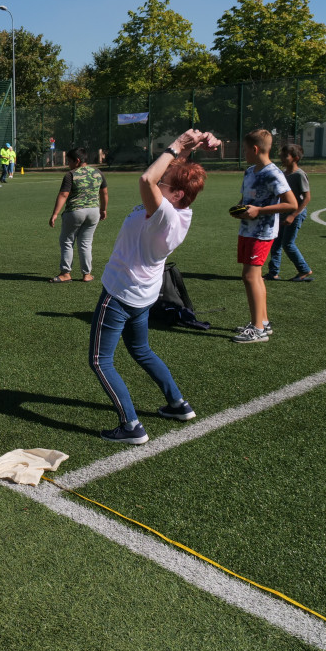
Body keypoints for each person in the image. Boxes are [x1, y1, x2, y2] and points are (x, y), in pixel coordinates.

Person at [89, 130, 220, 445]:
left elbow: (148, 179)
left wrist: (175, 146)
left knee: (99, 360)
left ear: (175, 194)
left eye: (167, 183)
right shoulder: (182, 209)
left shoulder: (163, 214)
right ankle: (177, 404)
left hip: (121, 293)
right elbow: (170, 176)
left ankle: (131, 425)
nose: (160, 181)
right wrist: (192, 146)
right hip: (143, 294)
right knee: (141, 349)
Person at [231, 129, 297, 344]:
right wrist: (241, 209)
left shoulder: (273, 173)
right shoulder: (250, 171)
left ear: (255, 149)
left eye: (244, 149)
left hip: (262, 232)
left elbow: (291, 203)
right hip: (247, 230)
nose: (244, 153)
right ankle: (263, 322)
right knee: (254, 276)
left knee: (250, 277)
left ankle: (257, 328)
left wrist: (259, 211)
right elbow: (247, 198)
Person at [49, 148, 108, 283]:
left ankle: (65, 273)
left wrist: (55, 214)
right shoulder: (98, 172)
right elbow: (104, 193)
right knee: (86, 243)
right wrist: (103, 210)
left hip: (75, 211)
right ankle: (87, 274)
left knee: (67, 242)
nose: (68, 164)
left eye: (69, 161)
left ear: (77, 161)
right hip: (94, 211)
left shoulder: (71, 174)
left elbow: (64, 194)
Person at [266, 143, 314, 283]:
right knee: (276, 243)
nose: (281, 157)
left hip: (295, 214)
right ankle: (273, 273)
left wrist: (293, 215)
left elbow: (307, 198)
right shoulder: (282, 173)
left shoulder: (299, 175)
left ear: (295, 158)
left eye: (285, 155)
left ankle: (304, 269)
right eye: (281, 154)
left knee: (288, 244)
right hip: (282, 213)